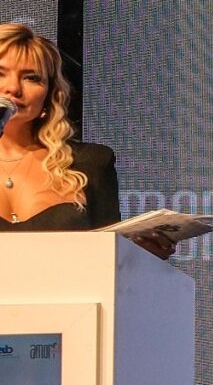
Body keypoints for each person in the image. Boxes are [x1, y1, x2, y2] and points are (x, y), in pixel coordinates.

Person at [0, 22, 123, 234]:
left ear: (49, 93)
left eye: (31, 78)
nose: (13, 88)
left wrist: (141, 247)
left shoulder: (92, 162)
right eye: (0, 73)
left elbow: (112, 248)